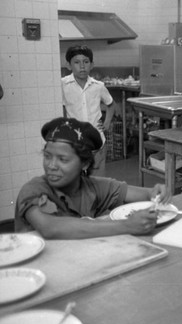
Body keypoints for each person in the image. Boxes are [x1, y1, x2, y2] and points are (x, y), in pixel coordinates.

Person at [15, 117, 170, 239]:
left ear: (85, 163)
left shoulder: (93, 187)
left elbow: (145, 194)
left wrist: (156, 193)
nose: (51, 166)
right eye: (48, 157)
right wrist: (127, 225)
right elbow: (50, 227)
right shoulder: (34, 190)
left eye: (63, 159)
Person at [62, 45, 118, 177]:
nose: (82, 66)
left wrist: (107, 123)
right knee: (76, 182)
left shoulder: (98, 86)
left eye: (86, 62)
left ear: (92, 65)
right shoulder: (62, 85)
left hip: (97, 144)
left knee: (97, 182)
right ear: (68, 65)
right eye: (76, 62)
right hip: (74, 145)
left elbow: (111, 104)